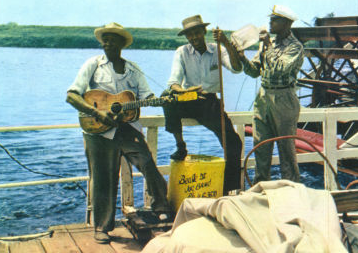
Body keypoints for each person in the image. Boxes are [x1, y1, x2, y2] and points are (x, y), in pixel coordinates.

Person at [66, 23, 172, 244]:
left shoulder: (133, 69)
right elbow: (72, 96)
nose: (108, 43)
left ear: (122, 44)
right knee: (103, 178)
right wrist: (97, 112)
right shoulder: (92, 65)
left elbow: (146, 95)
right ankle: (102, 227)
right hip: (99, 130)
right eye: (105, 39)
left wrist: (161, 100)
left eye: (113, 39)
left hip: (127, 128)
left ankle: (162, 208)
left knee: (148, 164)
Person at [163, 15, 243, 196]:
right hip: (188, 97)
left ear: (204, 32)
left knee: (234, 143)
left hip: (209, 102)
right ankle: (180, 145)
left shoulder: (218, 49)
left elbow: (237, 68)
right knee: (165, 97)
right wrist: (182, 91)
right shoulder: (181, 51)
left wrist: (226, 43)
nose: (194, 38)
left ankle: (228, 190)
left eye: (197, 33)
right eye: (190, 35)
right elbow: (173, 82)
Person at [225, 5, 304, 183]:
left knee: (286, 150)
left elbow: (281, 69)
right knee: (260, 148)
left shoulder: (295, 47)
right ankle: (261, 189)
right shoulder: (267, 44)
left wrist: (268, 46)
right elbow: (254, 72)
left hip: (284, 99)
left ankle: (291, 190)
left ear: (286, 23)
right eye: (271, 19)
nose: (270, 22)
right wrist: (242, 57)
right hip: (263, 98)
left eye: (275, 20)